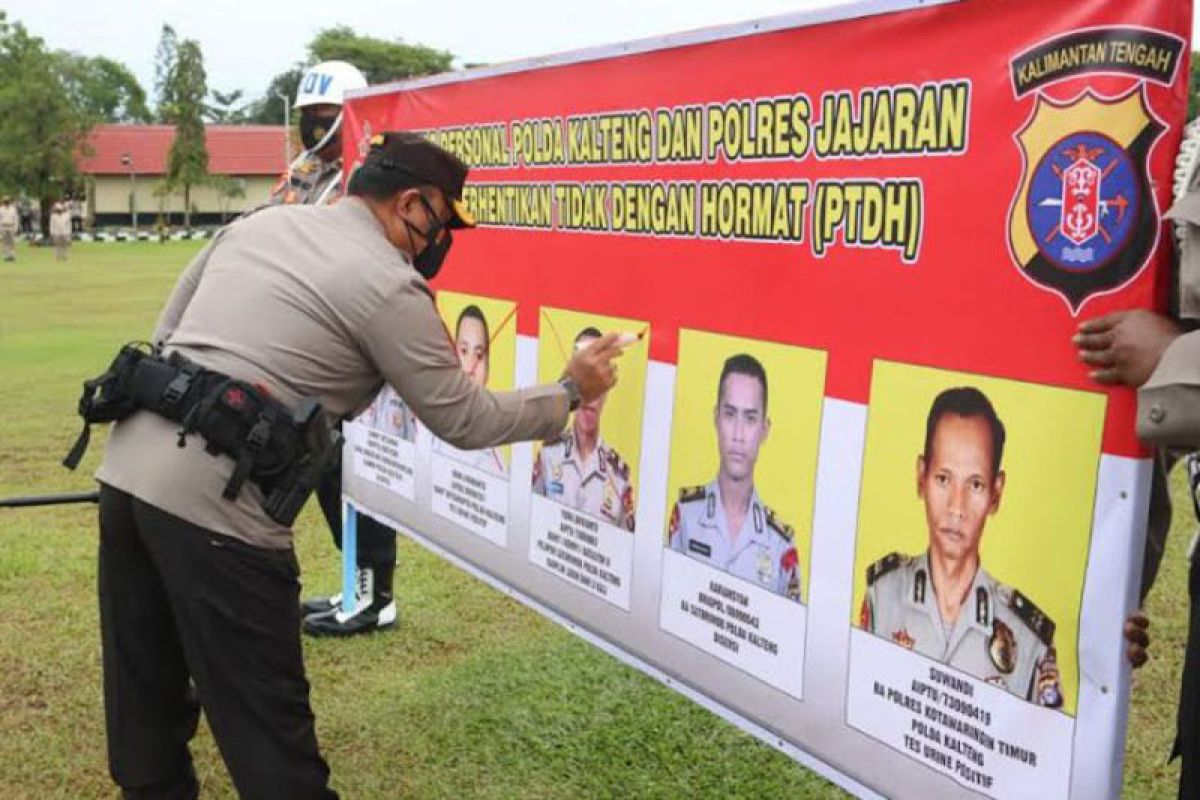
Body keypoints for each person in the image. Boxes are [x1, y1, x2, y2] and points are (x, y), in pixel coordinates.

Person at [88, 131, 623, 798]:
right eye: (443, 221)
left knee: (146, 711)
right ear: (411, 204)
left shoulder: (259, 225)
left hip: (127, 479)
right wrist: (570, 392)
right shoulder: (388, 285)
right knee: (271, 741)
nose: (440, 241)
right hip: (219, 518)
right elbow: (466, 418)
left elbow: (167, 339)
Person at [1074, 122, 1200, 796]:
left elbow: (1167, 358)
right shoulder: (1186, 145)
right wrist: (1115, 587)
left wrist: (1175, 361)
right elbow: (1147, 413)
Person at [858, 387, 1064, 706]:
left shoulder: (1027, 638)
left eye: (976, 485)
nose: (957, 506)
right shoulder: (884, 595)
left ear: (996, 493)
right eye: (943, 479)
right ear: (921, 477)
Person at [667, 354, 800, 600]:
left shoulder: (780, 545)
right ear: (716, 418)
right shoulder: (687, 515)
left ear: (764, 430)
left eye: (750, 419)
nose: (738, 434)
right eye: (730, 414)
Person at [532, 326, 636, 530]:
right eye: (584, 380)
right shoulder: (548, 455)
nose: (591, 394)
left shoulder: (619, 478)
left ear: (607, 390)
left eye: (597, 382)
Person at [269, 60, 367, 207]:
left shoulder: (365, 175)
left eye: (320, 109)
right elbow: (269, 212)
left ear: (352, 111)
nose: (311, 119)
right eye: (306, 111)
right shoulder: (300, 168)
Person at [432, 304, 506, 476]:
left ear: (488, 369)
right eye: (463, 351)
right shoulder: (427, 427)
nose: (470, 366)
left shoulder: (495, 464)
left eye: (479, 355)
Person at [0, 196, 18, 261]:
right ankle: (6, 255)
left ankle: (12, 255)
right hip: (3, 226)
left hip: (11, 226)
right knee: (4, 241)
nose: (6, 202)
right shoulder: (1, 209)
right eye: (5, 201)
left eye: (7, 201)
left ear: (9, 202)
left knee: (12, 241)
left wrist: (16, 227)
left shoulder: (13, 209)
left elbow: (16, 219)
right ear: (4, 202)